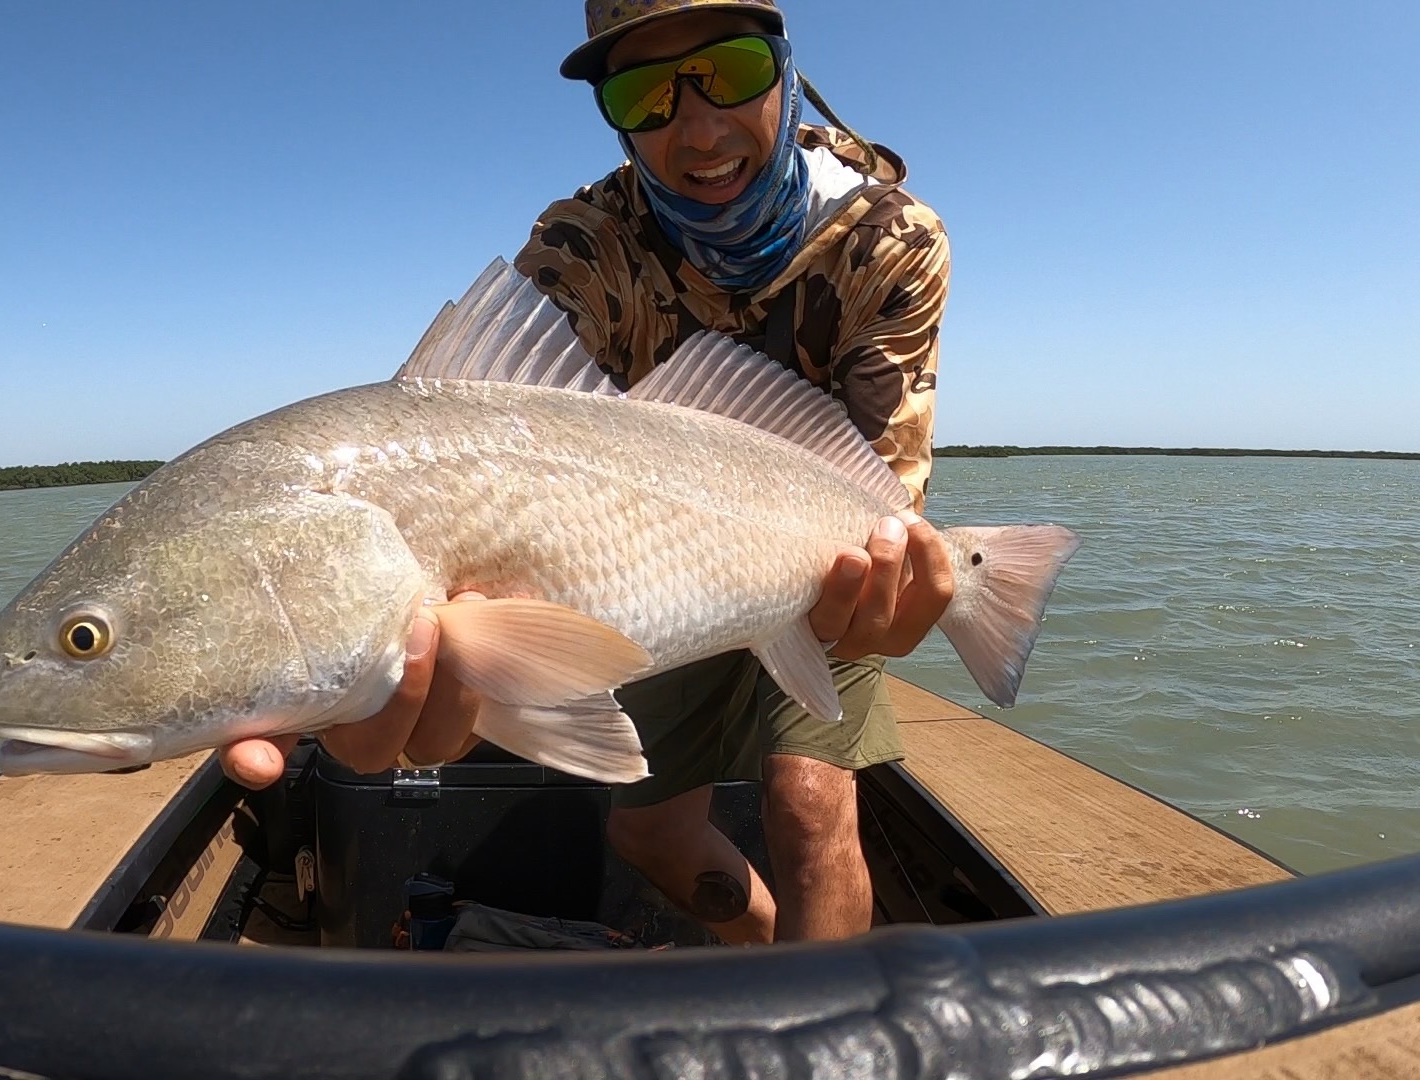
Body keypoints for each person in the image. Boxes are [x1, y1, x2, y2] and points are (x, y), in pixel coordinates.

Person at [218, 0, 954, 945]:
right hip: (657, 567)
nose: (695, 126)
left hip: (814, 550)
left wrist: (894, 585)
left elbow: (889, 485)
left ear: (784, 65)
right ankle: (774, 968)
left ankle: (821, 1035)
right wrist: (313, 666)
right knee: (650, 835)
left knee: (811, 806)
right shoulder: (586, 242)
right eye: (643, 92)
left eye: (726, 70)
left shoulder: (893, 237)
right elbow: (479, 422)